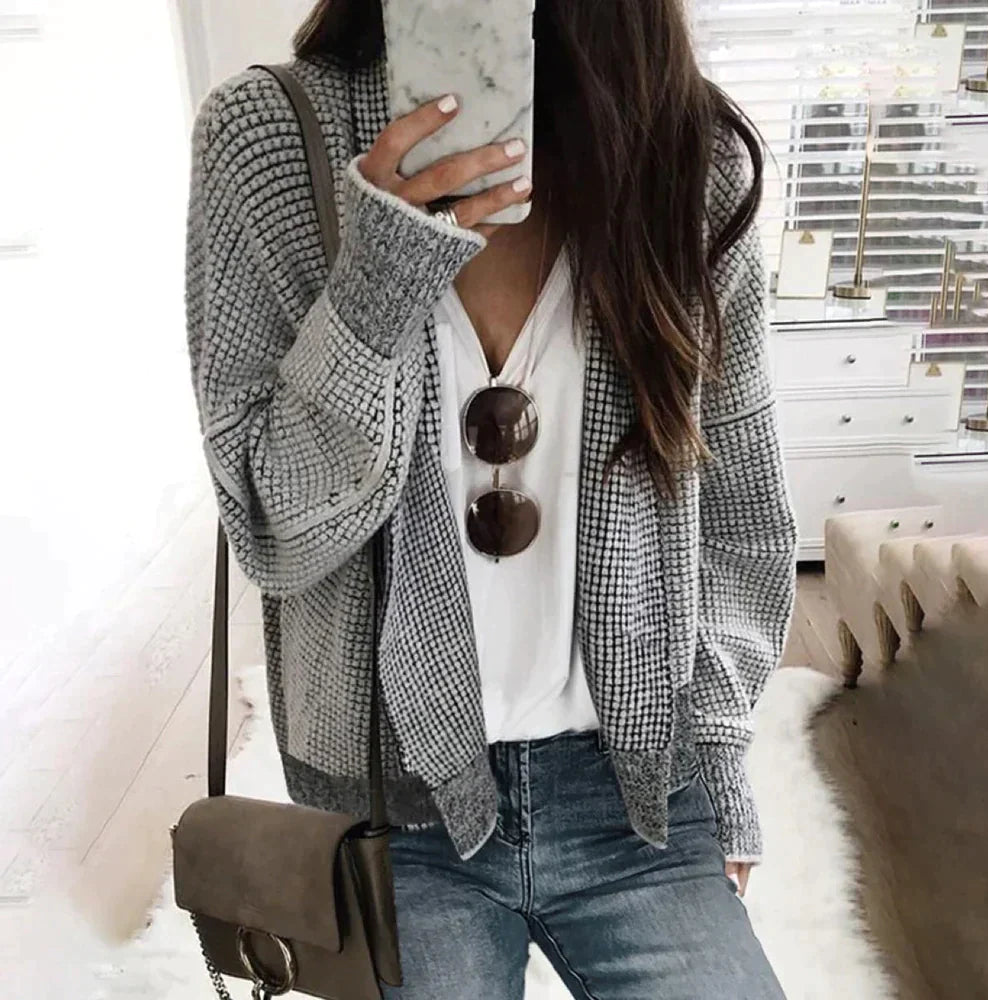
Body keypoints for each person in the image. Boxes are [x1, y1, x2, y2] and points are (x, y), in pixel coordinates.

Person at [184, 0, 798, 996]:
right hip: (391, 808)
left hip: (639, 794)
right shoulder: (270, 138)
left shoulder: (682, 153)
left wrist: (720, 753)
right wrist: (377, 279)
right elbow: (270, 524)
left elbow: (743, 516)